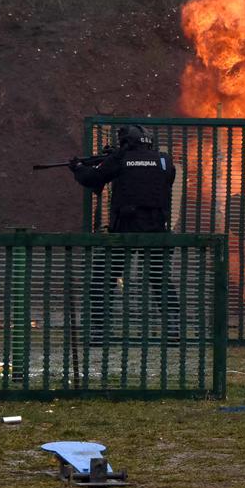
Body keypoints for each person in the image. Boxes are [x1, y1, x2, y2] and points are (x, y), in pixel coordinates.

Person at [70, 124, 177, 344]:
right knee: (160, 280)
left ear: (127, 142)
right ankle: (173, 328)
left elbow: (91, 178)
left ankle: (99, 331)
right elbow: (161, 180)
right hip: (156, 229)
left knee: (103, 279)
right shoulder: (165, 161)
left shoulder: (121, 159)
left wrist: (78, 167)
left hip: (124, 229)